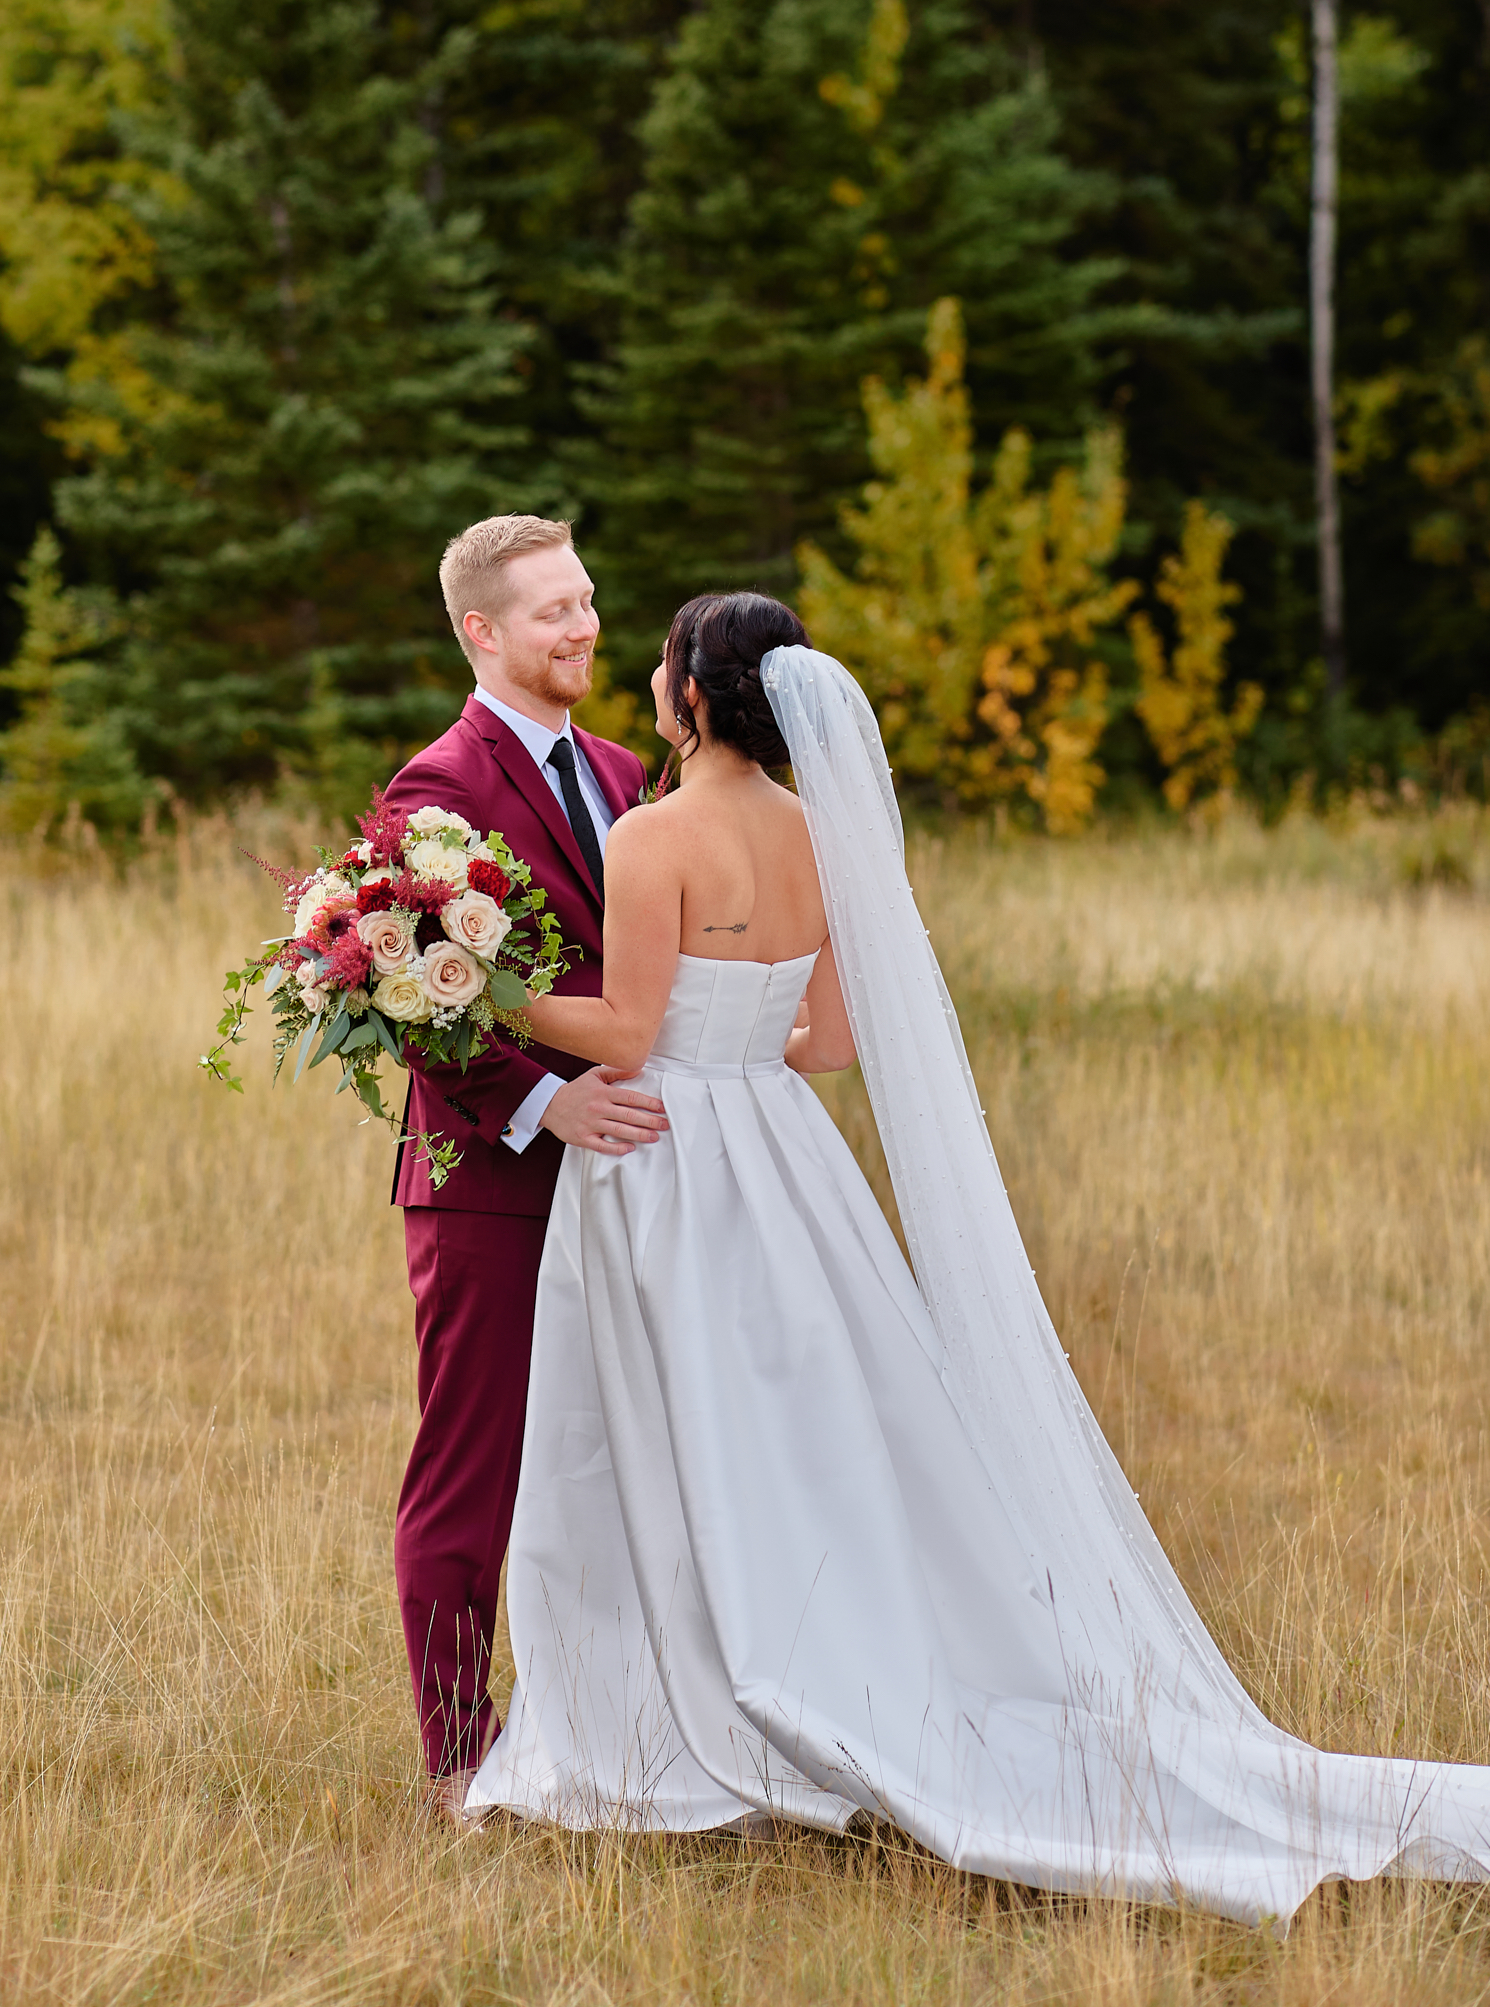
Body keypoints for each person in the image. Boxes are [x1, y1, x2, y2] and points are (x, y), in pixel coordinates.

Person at [464, 589, 1490, 1923]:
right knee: (798, 1433)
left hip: (670, 1158)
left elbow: (621, 1030)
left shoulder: (656, 835)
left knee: (655, 1433)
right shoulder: (824, 832)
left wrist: (471, 980)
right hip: (786, 1152)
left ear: (695, 698)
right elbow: (826, 1042)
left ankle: (676, 1722)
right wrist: (742, 1034)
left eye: (661, 665)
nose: (651, 685)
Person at [380, 515, 668, 1819]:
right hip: (491, 1178)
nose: (585, 626)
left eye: (589, 600)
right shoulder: (434, 791)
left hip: (638, 1176)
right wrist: (543, 1103)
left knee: (630, 1457)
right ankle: (461, 1758)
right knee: (474, 1469)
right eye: (554, 610)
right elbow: (408, 989)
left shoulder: (624, 774)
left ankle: (619, 1729)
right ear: (481, 631)